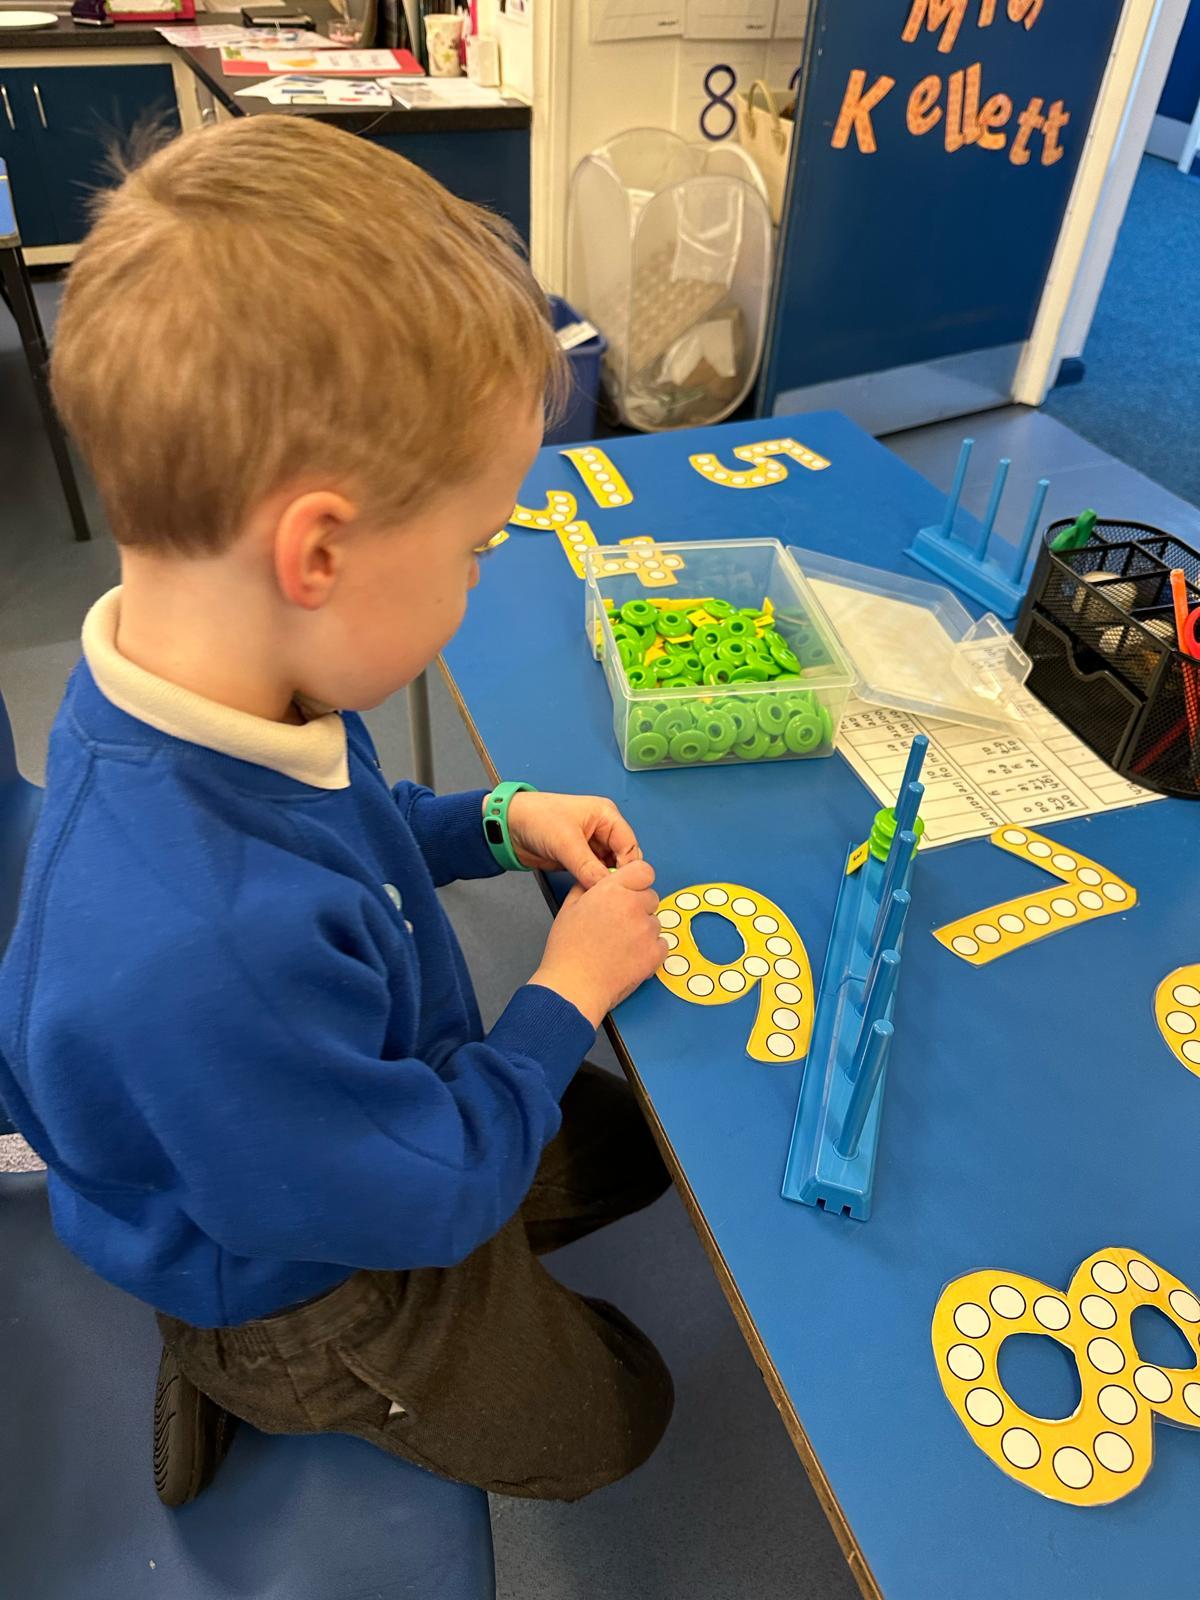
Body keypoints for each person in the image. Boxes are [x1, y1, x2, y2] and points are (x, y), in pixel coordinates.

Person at [0, 116, 673, 1507]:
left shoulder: (218, 673)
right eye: (474, 547)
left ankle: (390, 1188)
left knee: (635, 1148)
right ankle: (229, 1368)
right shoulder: (207, 953)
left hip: (336, 1112)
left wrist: (494, 821)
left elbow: (348, 828)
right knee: (622, 1413)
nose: (480, 578)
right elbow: (432, 1192)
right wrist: (563, 991)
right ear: (318, 551)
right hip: (313, 1286)